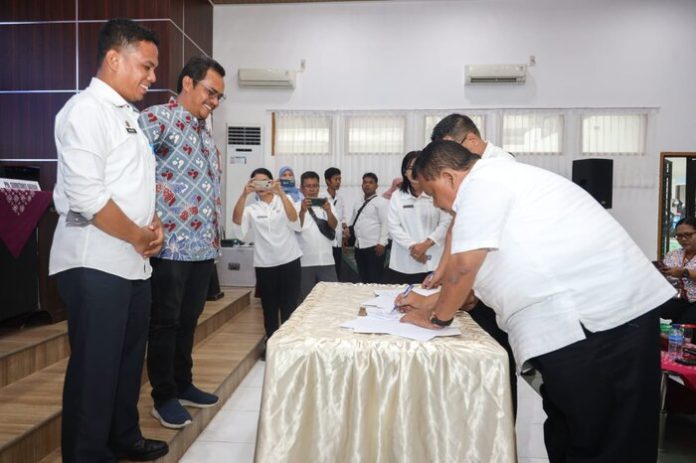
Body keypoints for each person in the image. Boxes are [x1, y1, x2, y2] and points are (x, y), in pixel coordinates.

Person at [398, 140, 675, 463]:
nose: (438, 205)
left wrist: (436, 319)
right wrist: (438, 303)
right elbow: (495, 269)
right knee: (570, 434)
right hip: (590, 327)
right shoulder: (502, 181)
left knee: (604, 443)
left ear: (448, 177)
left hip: (598, 325)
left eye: (432, 194)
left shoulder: (482, 184)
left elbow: (463, 265)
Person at [50, 19, 168, 461]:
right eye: (147, 66)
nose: (153, 77)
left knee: (125, 362)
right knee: (95, 369)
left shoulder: (130, 116)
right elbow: (87, 195)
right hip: (93, 260)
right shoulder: (84, 110)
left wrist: (152, 223)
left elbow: (133, 184)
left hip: (130, 260)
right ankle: (86, 454)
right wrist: (139, 235)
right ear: (114, 58)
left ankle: (123, 437)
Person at [138, 56, 226, 429]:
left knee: (189, 320)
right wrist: (148, 219)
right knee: (165, 322)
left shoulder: (204, 128)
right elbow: (133, 172)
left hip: (203, 245)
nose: (215, 102)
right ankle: (164, 396)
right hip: (170, 244)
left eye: (220, 97)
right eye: (211, 92)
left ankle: (183, 383)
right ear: (187, 83)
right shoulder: (156, 118)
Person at [427, 113, 519, 416]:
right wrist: (440, 275)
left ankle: (497, 429)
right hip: (487, 284)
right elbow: (456, 227)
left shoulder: (496, 169)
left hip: (505, 286)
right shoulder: (472, 175)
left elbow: (469, 262)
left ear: (471, 141)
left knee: (497, 361)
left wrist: (438, 314)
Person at [232, 168, 302, 345]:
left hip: (289, 261)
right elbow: (238, 227)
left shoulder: (284, 201)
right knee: (269, 308)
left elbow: (295, 222)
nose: (261, 185)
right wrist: (243, 196)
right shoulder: (251, 209)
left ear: (272, 182)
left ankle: (288, 344)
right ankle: (271, 343)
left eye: (265, 182)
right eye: (257, 182)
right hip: (265, 265)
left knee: (289, 306)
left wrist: (281, 194)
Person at [387, 151, 451, 284]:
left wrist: (426, 245)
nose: (415, 172)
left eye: (419, 167)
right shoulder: (397, 196)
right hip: (404, 261)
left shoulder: (437, 193)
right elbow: (393, 226)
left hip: (434, 260)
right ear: (404, 172)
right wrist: (413, 247)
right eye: (411, 168)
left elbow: (446, 223)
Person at [296, 171, 338, 302]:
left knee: (331, 299)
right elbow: (296, 227)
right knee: (306, 302)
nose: (312, 189)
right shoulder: (296, 205)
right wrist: (302, 211)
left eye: (315, 185)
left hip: (327, 261)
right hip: (305, 262)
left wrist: (328, 211)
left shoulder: (326, 204)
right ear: (302, 188)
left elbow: (334, 225)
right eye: (308, 186)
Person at [344, 172, 389, 283]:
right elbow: (353, 221)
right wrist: (346, 233)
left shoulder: (382, 202)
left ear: (376, 186)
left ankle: (376, 300)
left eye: (370, 183)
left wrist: (382, 243)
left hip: (374, 248)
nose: (367, 185)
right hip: (359, 247)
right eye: (365, 182)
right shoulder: (358, 202)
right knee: (363, 279)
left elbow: (386, 223)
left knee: (374, 280)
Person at [657, 217, 696, 324]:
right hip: (677, 300)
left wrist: (684, 272)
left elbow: (683, 273)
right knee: (649, 310)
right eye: (679, 236)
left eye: (688, 235)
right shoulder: (673, 254)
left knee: (682, 326)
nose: (683, 239)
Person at [323, 167, 345, 280]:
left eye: (339, 179)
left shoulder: (340, 199)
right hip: (327, 243)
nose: (338, 182)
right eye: (336, 179)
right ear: (327, 181)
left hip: (338, 243)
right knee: (327, 275)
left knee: (337, 274)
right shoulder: (322, 198)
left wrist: (345, 227)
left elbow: (342, 218)